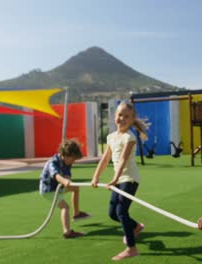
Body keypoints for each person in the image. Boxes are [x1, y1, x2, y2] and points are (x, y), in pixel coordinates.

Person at [91, 101, 149, 261]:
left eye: (126, 116)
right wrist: (96, 176)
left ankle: (131, 248)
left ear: (132, 120)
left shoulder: (129, 137)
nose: (122, 118)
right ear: (114, 116)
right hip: (118, 179)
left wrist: (115, 178)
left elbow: (123, 159)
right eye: (119, 115)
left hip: (129, 178)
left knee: (121, 211)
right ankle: (136, 226)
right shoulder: (111, 137)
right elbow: (105, 159)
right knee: (113, 214)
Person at [39, 139, 91, 239]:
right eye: (73, 159)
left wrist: (68, 180)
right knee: (65, 207)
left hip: (58, 187)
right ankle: (67, 232)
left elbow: (67, 175)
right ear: (66, 155)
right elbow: (56, 175)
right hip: (49, 190)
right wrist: (64, 181)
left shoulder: (67, 163)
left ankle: (77, 213)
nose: (73, 161)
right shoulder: (53, 162)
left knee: (75, 188)